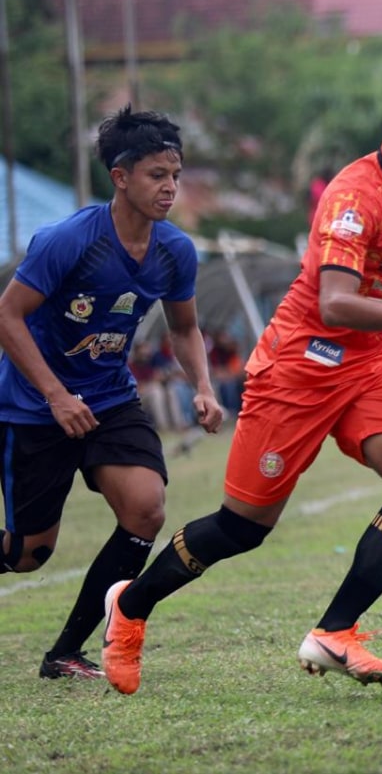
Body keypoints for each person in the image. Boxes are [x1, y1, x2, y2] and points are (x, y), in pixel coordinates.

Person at [100, 59, 382, 695]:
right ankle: (130, 608)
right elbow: (334, 302)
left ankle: (334, 631)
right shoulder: (352, 195)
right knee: (241, 529)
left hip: (368, 365)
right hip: (300, 369)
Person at [0, 105, 223, 680]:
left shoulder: (176, 251)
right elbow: (8, 316)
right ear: (120, 177)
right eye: (156, 175)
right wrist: (54, 395)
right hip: (35, 406)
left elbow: (183, 327)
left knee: (145, 509)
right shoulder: (69, 240)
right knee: (30, 554)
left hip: (110, 399)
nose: (170, 187)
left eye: (175, 174)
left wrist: (203, 385)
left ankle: (65, 653)